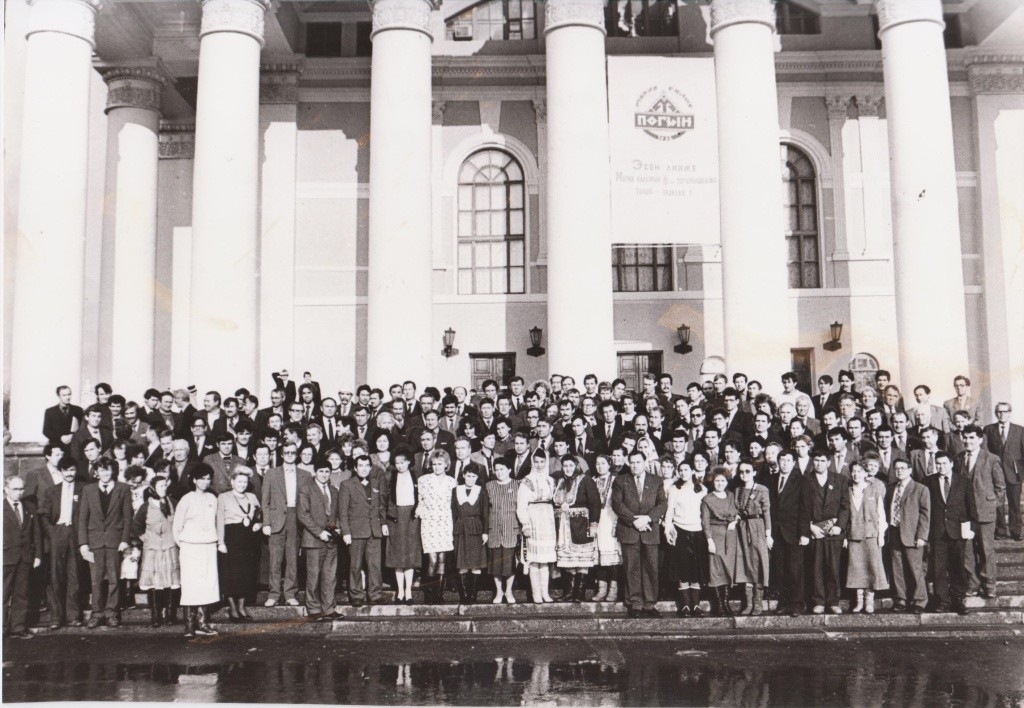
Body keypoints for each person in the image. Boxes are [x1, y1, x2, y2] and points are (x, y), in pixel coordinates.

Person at [78, 457, 133, 628]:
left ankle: (112, 613)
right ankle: (96, 613)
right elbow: (82, 519)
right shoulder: (88, 490)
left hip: (114, 541)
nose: (105, 473)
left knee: (114, 579)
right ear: (96, 472)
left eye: (108, 469)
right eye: (101, 470)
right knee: (96, 580)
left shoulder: (123, 489)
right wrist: (83, 543)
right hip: (94, 542)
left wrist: (124, 540)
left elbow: (127, 518)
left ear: (113, 471)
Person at [612, 450, 667, 618]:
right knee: (631, 568)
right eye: (632, 462)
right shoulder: (621, 480)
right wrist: (634, 521)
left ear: (645, 463)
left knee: (651, 567)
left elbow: (662, 503)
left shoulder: (656, 481)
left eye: (638, 462)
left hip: (650, 530)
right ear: (629, 463)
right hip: (629, 530)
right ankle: (635, 604)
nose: (635, 465)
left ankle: (650, 604)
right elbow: (617, 504)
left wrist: (648, 519)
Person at [38, 457, 86, 629]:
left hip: (75, 534)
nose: (69, 473)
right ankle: (56, 617)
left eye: (72, 470)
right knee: (56, 576)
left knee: (75, 576)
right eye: (66, 470)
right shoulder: (51, 491)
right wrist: (52, 532)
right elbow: (43, 515)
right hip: (58, 533)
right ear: (61, 472)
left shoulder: (83, 489)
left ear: (75, 471)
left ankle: (73, 616)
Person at [172, 464, 220, 637]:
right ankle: (189, 625)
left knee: (207, 584)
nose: (206, 482)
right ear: (194, 480)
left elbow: (216, 522)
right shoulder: (186, 499)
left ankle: (203, 622)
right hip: (190, 546)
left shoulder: (213, 499)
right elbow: (177, 527)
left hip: (208, 545)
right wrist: (184, 544)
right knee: (191, 584)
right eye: (202, 479)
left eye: (208, 479)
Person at [800, 451, 849, 615]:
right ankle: (818, 601)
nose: (819, 463)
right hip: (815, 530)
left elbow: (845, 506)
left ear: (829, 462)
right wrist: (810, 527)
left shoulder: (840, 480)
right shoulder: (805, 480)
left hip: (833, 531)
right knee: (816, 567)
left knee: (833, 567)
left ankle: (833, 602)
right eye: (816, 460)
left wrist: (840, 526)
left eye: (822, 460)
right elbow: (800, 507)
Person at [960, 425, 1006, 599]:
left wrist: (991, 506)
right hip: (965, 514)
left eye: (972, 437)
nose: (968, 441)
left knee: (986, 550)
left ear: (980, 439)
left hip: (985, 513)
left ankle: (989, 585)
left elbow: (1000, 487)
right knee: (967, 551)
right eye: (965, 437)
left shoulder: (991, 459)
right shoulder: (959, 458)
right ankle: (972, 584)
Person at [926, 451, 974, 615]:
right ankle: (942, 601)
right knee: (938, 567)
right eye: (938, 463)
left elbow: (970, 506)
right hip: (937, 531)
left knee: (957, 566)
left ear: (952, 463)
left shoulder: (963, 481)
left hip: (958, 531)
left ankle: (958, 600)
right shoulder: (928, 481)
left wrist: (969, 528)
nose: (941, 466)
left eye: (944, 463)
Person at [338, 455, 388, 607]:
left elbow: (381, 506)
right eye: (360, 465)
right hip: (356, 530)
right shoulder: (347, 485)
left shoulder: (376, 483)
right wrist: (346, 532)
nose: (364, 468)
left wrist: (383, 523)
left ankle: (375, 594)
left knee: (375, 564)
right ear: (355, 467)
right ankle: (356, 595)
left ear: (371, 467)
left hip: (374, 530)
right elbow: (343, 511)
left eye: (367, 465)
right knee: (355, 565)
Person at [131, 475, 181, 627]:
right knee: (154, 583)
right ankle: (155, 615)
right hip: (152, 550)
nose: (164, 488)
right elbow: (136, 526)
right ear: (153, 488)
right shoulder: (146, 506)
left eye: (165, 485)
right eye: (160, 486)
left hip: (170, 548)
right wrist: (146, 538)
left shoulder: (173, 503)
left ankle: (171, 614)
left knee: (172, 582)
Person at [552, 454, 601, 603]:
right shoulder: (560, 482)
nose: (567, 469)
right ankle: (569, 592)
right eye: (565, 466)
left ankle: (579, 593)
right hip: (564, 526)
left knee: (582, 559)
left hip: (581, 523)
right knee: (569, 559)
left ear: (576, 466)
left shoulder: (586, 481)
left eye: (570, 466)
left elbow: (595, 503)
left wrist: (593, 524)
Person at [217, 469, 263, 621]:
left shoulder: (251, 496)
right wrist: (221, 542)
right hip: (231, 537)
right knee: (230, 573)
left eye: (245, 482)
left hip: (248, 539)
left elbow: (259, 515)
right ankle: (232, 607)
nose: (242, 485)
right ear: (232, 482)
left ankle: (242, 606)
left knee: (246, 573)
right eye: (239, 482)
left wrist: (259, 524)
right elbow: (220, 521)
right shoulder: (223, 497)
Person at [886, 459, 931, 613]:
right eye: (896, 468)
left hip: (912, 535)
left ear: (910, 470)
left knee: (915, 568)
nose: (899, 471)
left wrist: (922, 536)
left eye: (903, 468)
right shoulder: (891, 488)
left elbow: (925, 515)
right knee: (897, 567)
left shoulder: (920, 489)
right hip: (893, 531)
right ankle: (901, 599)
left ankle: (920, 600)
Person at [261, 441, 303, 607]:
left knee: (292, 558)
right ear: (282, 454)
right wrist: (266, 522)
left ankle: (290, 593)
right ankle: (273, 594)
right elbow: (265, 501)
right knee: (275, 559)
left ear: (297, 454)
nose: (290, 455)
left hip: (295, 518)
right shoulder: (271, 473)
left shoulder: (305, 475)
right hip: (276, 519)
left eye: (293, 452)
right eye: (287, 452)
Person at [664, 461, 708, 617]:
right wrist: (668, 530)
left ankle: (695, 606)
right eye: (680, 470)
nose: (683, 472)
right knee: (682, 569)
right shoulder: (674, 489)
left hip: (698, 531)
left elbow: (705, 513)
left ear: (692, 471)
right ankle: (685, 606)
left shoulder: (702, 489)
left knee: (696, 570)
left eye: (686, 469)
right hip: (680, 531)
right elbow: (669, 511)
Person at [844, 462, 888, 614]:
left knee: (871, 567)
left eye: (859, 471)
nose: (856, 474)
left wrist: (881, 535)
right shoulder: (847, 491)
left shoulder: (874, 490)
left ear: (865, 473)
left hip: (871, 535)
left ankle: (870, 601)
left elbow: (881, 513)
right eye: (853, 471)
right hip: (853, 536)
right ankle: (859, 601)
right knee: (856, 568)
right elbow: (843, 515)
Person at [297, 465, 339, 619]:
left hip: (331, 540)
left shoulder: (334, 490)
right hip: (314, 539)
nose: (324, 474)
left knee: (330, 576)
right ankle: (313, 609)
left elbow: (336, 514)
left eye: (327, 471)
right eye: (321, 471)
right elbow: (303, 515)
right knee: (313, 576)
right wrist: (319, 532)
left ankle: (329, 609)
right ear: (315, 472)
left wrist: (336, 528)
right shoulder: (306, 489)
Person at [416, 450, 458, 603]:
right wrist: (419, 512)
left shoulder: (452, 481)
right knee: (432, 559)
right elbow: (421, 501)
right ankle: (429, 594)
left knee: (442, 559)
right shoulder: (423, 480)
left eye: (440, 464)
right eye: (434, 464)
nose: (437, 467)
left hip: (445, 522)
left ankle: (439, 593)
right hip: (430, 522)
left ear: (446, 464)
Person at [517, 448, 558, 603]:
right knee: (534, 559)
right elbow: (521, 505)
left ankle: (545, 593)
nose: (539, 465)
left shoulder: (550, 480)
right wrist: (525, 524)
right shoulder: (527, 481)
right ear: (532, 462)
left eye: (542, 461)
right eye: (536, 462)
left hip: (547, 519)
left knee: (545, 559)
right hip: (534, 518)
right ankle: (536, 594)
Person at [4, 476, 41, 639]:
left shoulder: (29, 506)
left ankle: (17, 627)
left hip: (25, 557)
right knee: (3, 594)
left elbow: (37, 533)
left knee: (22, 594)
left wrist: (38, 555)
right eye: (15, 489)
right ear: (6, 489)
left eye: (21, 489)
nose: (19, 493)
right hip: (5, 557)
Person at [768, 450, 805, 617]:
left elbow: (805, 508)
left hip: (794, 532)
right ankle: (783, 603)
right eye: (782, 460)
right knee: (780, 569)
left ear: (794, 462)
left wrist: (804, 533)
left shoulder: (801, 480)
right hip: (777, 532)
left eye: (788, 460)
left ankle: (796, 603)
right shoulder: (772, 479)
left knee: (795, 569)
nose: (784, 463)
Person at [733, 462, 771, 616]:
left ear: (754, 472)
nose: (744, 474)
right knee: (745, 563)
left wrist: (768, 533)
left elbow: (767, 511)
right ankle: (748, 603)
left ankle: (758, 602)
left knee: (758, 562)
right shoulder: (737, 490)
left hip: (757, 526)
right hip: (742, 527)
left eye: (748, 471)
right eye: (741, 471)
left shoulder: (762, 489)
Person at [701, 468, 739, 617]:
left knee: (728, 569)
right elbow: (705, 522)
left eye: (723, 480)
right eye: (717, 480)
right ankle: (718, 605)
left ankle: (726, 602)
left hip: (730, 537)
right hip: (715, 536)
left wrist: (734, 521)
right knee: (716, 569)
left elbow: (737, 513)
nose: (720, 483)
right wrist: (709, 540)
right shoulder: (707, 499)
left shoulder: (731, 496)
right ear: (712, 481)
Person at [385, 448, 421, 605]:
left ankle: (408, 591)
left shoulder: (416, 476)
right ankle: (400, 591)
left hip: (412, 516)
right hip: (395, 517)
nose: (399, 465)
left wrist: (419, 508)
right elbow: (384, 500)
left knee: (410, 555)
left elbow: (422, 496)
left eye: (403, 462)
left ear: (408, 462)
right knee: (398, 555)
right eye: (397, 463)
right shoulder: (390, 477)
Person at [985, 403, 1023, 541]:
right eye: (999, 412)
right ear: (996, 413)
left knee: (1014, 503)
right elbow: (986, 450)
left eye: (1004, 411)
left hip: (1014, 472)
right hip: (995, 472)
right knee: (998, 502)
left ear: (1009, 413)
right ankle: (1000, 530)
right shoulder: (988, 429)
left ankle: (1016, 530)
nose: (1001, 414)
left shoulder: (1019, 430)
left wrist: (1022, 474)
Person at [485, 458, 520, 604]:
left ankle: (508, 591)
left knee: (509, 564)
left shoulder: (518, 485)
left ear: (509, 470)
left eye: (502, 469)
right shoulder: (489, 486)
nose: (499, 472)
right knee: (496, 565)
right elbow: (485, 509)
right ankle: (498, 592)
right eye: (497, 469)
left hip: (511, 529)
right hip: (494, 530)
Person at [452, 467, 489, 604]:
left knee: (475, 563)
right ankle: (463, 595)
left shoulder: (481, 491)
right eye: (468, 476)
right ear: (463, 476)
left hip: (475, 528)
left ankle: (473, 595)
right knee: (461, 562)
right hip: (460, 527)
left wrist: (485, 531)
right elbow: (453, 511)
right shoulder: (456, 490)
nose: (471, 479)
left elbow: (485, 512)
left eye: (473, 476)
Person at [591, 454, 622, 602]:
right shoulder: (592, 481)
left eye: (603, 463)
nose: (600, 466)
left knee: (612, 557)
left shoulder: (616, 481)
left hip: (611, 518)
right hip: (597, 520)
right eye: (597, 463)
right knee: (600, 556)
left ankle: (613, 590)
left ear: (609, 464)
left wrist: (617, 521)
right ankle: (601, 589)